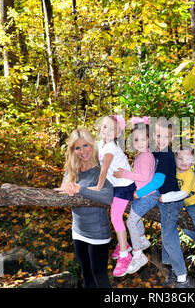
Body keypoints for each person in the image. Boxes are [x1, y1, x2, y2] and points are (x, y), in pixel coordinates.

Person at [134, 118, 194, 288]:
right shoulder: (155, 152)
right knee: (166, 235)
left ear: (171, 138)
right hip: (159, 198)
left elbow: (158, 181)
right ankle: (175, 270)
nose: (160, 140)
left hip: (170, 200)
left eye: (165, 137)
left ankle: (183, 276)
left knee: (168, 237)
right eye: (157, 136)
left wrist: (139, 193)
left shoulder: (167, 155)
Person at [54, 127, 114, 288]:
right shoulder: (72, 169)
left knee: (99, 276)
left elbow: (108, 197)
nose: (82, 151)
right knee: (86, 274)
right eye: (77, 147)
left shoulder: (101, 170)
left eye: (85, 145)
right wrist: (67, 188)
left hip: (98, 234)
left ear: (93, 145)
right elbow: (61, 192)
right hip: (78, 231)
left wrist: (81, 190)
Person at [159, 144, 195, 273]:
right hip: (185, 204)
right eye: (180, 159)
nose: (184, 162)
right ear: (174, 159)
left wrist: (164, 198)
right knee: (186, 230)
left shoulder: (189, 174)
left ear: (193, 161)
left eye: (188, 159)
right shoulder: (173, 172)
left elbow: (183, 193)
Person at [113, 118, 157, 275]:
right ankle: (142, 239)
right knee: (134, 218)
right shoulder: (142, 154)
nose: (139, 142)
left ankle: (138, 255)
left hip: (148, 196)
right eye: (136, 139)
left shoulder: (145, 156)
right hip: (144, 195)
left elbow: (144, 177)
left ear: (150, 140)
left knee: (131, 222)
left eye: (143, 139)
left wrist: (124, 174)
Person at [94, 115, 136, 277]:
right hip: (115, 185)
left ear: (118, 133)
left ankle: (125, 255)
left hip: (124, 186)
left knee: (115, 217)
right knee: (115, 215)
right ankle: (123, 242)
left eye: (112, 129)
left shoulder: (111, 147)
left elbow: (104, 170)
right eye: (105, 127)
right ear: (99, 127)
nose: (107, 131)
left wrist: (98, 187)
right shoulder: (101, 144)